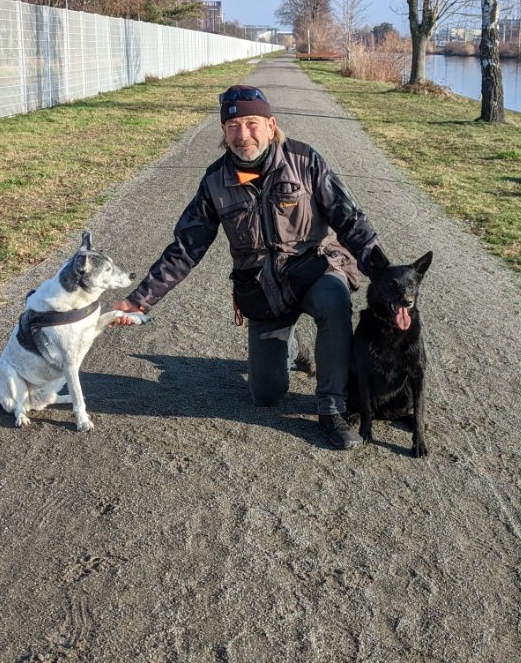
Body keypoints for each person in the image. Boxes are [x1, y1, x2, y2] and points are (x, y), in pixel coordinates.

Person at [113, 85, 382, 450]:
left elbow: (350, 220)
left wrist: (384, 274)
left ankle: (332, 407)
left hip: (315, 267)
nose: (243, 134)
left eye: (252, 123)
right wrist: (139, 300)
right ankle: (294, 348)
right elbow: (186, 247)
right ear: (223, 132)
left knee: (334, 301)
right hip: (263, 287)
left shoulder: (305, 160)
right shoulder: (215, 182)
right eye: (233, 126)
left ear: (271, 125)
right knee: (266, 394)